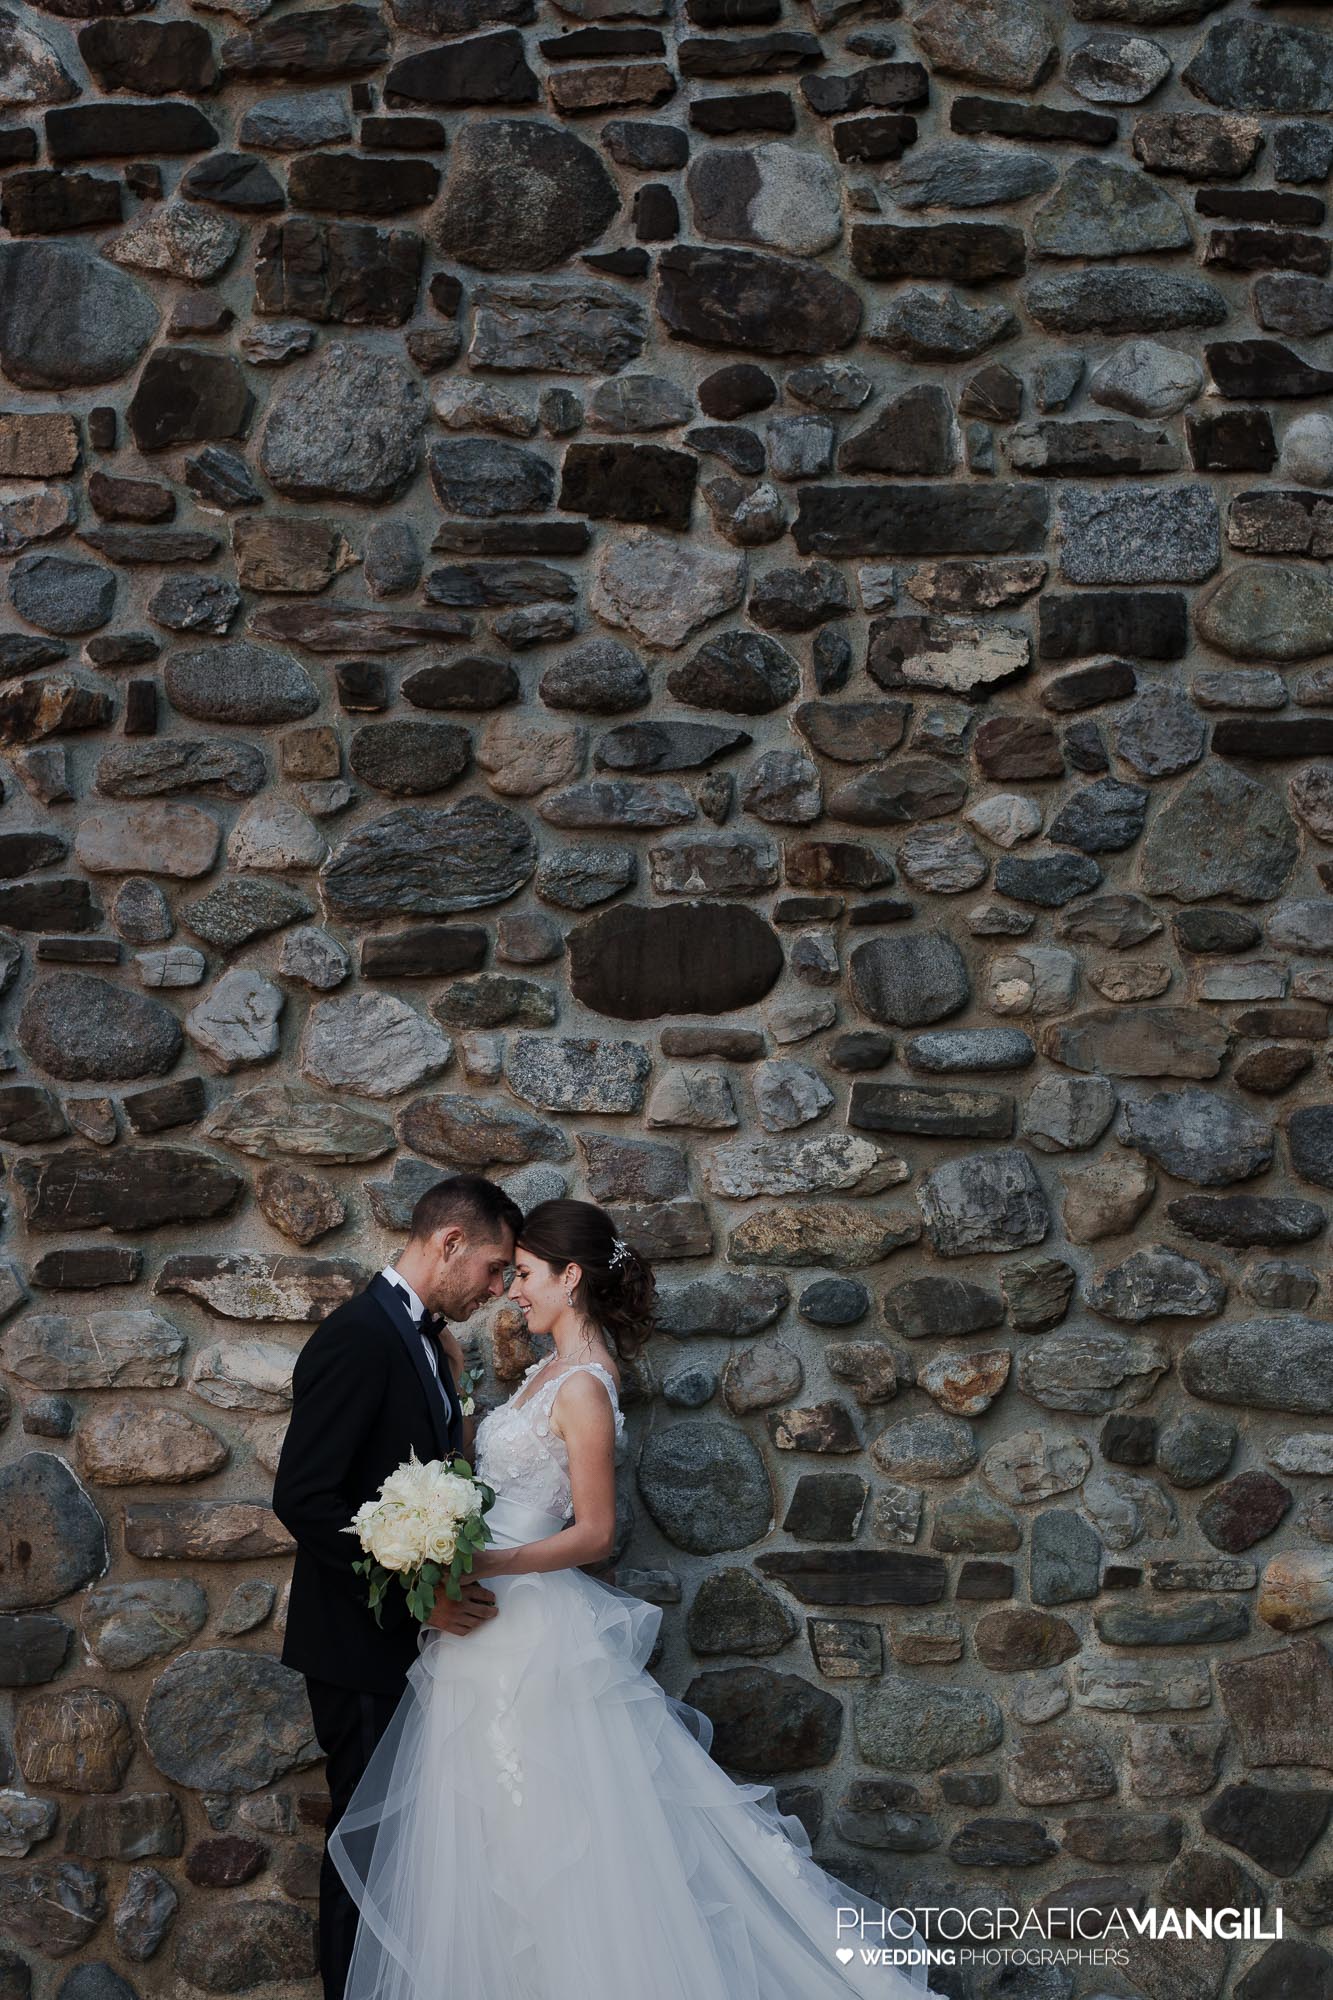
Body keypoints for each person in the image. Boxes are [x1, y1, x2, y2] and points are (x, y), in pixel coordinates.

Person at [327, 1198, 945, 2000]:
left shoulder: (584, 1384)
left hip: (528, 1622)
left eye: (524, 1274)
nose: (511, 1291)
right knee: (490, 1835)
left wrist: (493, 1559)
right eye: (506, 1273)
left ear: (569, 1276)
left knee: (549, 1833)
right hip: (488, 1629)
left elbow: (594, 1535)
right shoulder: (543, 1372)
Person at [272, 1172, 523, 2000]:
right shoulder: (359, 1336)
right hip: (358, 1648)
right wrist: (417, 1595)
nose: (496, 1291)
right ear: (449, 1243)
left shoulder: (425, 1339)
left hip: (405, 1649)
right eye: (492, 1269)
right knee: (367, 1851)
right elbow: (304, 1497)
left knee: (408, 1850)